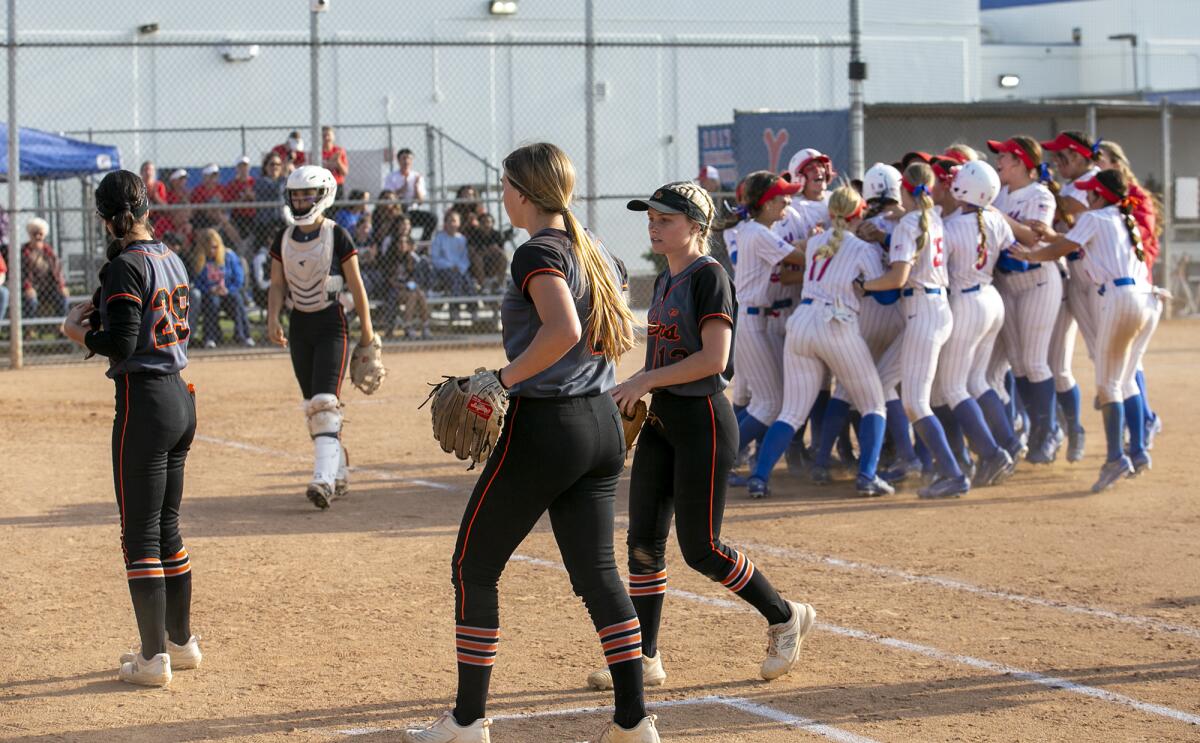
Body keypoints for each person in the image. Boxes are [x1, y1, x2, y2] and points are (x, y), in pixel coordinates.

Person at [400, 142, 656, 743]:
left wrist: (502, 378)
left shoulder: (538, 250)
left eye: (506, 184)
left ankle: (467, 721)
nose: (502, 194)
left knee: (474, 566)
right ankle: (634, 722)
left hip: (550, 425)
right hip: (600, 420)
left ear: (524, 191)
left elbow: (564, 329)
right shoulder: (594, 248)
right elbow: (612, 326)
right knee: (598, 575)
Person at [583, 180, 815, 697]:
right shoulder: (667, 278)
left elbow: (714, 359)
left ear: (696, 226)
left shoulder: (710, 277)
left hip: (704, 420)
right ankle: (645, 657)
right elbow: (662, 354)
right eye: (651, 217)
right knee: (642, 542)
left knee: (702, 548)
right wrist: (639, 392)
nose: (654, 225)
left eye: (665, 218)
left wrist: (644, 380)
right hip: (665, 421)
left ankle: (785, 617)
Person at [59, 170, 201, 687]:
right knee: (167, 527)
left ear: (105, 217)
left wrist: (78, 333)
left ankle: (152, 658)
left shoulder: (125, 266)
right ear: (146, 210)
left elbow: (119, 342)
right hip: (180, 395)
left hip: (144, 402)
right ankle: (179, 644)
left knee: (139, 533)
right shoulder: (171, 256)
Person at [747, 185, 895, 499]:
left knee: (791, 412)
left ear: (831, 214)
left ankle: (759, 477)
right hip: (836, 324)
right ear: (859, 213)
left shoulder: (815, 241)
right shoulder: (862, 248)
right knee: (873, 404)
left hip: (801, 321)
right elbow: (885, 297)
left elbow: (793, 266)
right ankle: (867, 476)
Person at [1019, 169, 1157, 492]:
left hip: (1119, 299)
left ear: (1098, 196)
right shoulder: (1124, 219)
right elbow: (1078, 245)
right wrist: (1055, 239)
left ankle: (1114, 459)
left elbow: (1060, 251)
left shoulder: (1096, 218)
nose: (1085, 198)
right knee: (1124, 381)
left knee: (1109, 385)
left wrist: (1030, 255)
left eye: (1089, 193)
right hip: (1146, 299)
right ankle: (1137, 450)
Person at [265, 165, 379, 510]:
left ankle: (324, 480)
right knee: (314, 406)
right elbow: (277, 284)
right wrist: (273, 318)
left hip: (332, 324)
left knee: (325, 403)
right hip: (300, 325)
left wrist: (367, 336)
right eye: (296, 195)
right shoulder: (282, 238)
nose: (300, 201)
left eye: (307, 195)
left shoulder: (336, 234)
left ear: (323, 195)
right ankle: (339, 470)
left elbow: (356, 284)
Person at [864, 162, 970, 498]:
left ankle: (953, 473)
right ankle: (912, 459)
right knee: (881, 383)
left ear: (903, 191)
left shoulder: (913, 221)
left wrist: (862, 286)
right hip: (931, 309)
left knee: (915, 402)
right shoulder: (931, 216)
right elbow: (913, 224)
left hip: (924, 311)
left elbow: (896, 279)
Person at [936, 161, 1019, 485]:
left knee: (953, 387)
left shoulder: (951, 226)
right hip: (991, 298)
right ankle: (1007, 443)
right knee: (977, 382)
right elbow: (1011, 254)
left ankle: (991, 452)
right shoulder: (995, 218)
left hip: (967, 302)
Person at [726, 171, 806, 497]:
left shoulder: (756, 230)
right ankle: (720, 459)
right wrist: (833, 240)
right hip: (753, 322)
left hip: (759, 321)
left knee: (768, 401)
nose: (787, 201)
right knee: (769, 403)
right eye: (781, 197)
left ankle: (723, 459)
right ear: (767, 203)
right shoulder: (758, 232)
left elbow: (792, 252)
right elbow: (801, 259)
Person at [986, 136, 1064, 465]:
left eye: (1003, 157)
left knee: (1034, 362)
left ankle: (1048, 433)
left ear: (1020, 162)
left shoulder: (1039, 194)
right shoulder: (1000, 193)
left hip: (1038, 281)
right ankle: (1033, 430)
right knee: (1017, 363)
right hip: (1007, 280)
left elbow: (1033, 237)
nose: (998, 162)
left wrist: (996, 215)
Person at [1041, 130, 1101, 462]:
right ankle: (1071, 428)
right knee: (1056, 363)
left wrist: (1041, 191)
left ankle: (1138, 424)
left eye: (1061, 157)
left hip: (1097, 283)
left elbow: (1065, 209)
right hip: (1072, 279)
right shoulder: (1069, 186)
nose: (1055, 163)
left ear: (1078, 157)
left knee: (1105, 360)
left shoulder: (1093, 183)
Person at [192, 228, 253, 349]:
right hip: (209, 294)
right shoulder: (200, 259)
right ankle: (210, 338)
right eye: (208, 247)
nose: (212, 250)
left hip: (228, 292)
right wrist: (210, 289)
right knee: (212, 302)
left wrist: (227, 289)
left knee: (236, 299)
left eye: (215, 247)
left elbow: (238, 278)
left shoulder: (229, 256)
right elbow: (196, 281)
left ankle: (243, 336)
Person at [20, 217, 70, 319]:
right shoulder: (24, 252)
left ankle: (61, 325)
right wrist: (28, 287)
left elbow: (57, 271)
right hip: (30, 287)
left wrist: (61, 285)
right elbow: (22, 273)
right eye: (34, 233)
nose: (38, 236)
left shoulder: (48, 251)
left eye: (40, 234)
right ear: (30, 234)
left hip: (48, 287)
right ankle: (30, 328)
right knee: (31, 300)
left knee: (63, 297)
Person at [383, 147, 437, 239]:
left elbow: (420, 201)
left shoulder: (417, 176)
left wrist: (416, 188)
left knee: (432, 218)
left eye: (409, 158)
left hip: (412, 210)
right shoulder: (391, 177)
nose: (406, 161)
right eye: (404, 158)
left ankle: (423, 245)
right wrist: (401, 190)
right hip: (398, 210)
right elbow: (387, 197)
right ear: (398, 160)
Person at [429, 210, 472, 296]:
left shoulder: (462, 239)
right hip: (444, 269)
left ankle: (472, 306)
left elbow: (465, 258)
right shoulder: (439, 238)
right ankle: (454, 306)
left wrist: (460, 267)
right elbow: (435, 258)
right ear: (445, 223)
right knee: (455, 279)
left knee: (469, 282)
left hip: (460, 269)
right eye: (449, 221)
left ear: (459, 223)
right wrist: (451, 266)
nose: (452, 224)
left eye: (454, 221)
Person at [464, 211, 509, 293]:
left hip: (493, 263)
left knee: (503, 257)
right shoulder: (474, 234)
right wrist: (488, 251)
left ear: (492, 223)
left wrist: (494, 250)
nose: (486, 225)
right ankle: (484, 286)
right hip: (478, 265)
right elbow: (472, 253)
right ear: (479, 224)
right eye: (483, 222)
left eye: (488, 222)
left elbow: (501, 252)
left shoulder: (497, 235)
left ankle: (499, 285)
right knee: (477, 259)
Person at [254, 153, 289, 246]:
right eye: (272, 164)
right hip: (265, 224)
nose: (275, 167)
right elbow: (276, 190)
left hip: (281, 221)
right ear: (266, 167)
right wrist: (285, 175)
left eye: (278, 164)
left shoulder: (284, 180)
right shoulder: (261, 182)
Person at [225, 156, 258, 247]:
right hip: (238, 216)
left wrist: (251, 196)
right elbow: (229, 204)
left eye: (245, 166)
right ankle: (240, 246)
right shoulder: (232, 184)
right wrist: (243, 199)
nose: (243, 169)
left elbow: (259, 199)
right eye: (241, 166)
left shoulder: (255, 182)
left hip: (253, 216)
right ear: (237, 168)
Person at [141, 161, 172, 237]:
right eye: (146, 170)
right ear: (141, 172)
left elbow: (165, 206)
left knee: (162, 223)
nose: (148, 172)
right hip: (142, 216)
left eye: (151, 170)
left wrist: (155, 195)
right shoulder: (139, 185)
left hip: (157, 217)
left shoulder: (159, 185)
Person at [320, 126, 349, 198]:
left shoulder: (339, 151)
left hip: (337, 184)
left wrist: (338, 162)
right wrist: (331, 162)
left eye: (328, 135)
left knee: (339, 207)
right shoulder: (317, 152)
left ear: (333, 136)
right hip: (323, 185)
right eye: (324, 136)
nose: (326, 138)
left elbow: (345, 172)